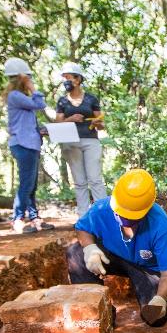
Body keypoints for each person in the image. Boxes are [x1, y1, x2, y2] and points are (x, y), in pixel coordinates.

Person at [66, 169, 167, 327]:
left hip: (146, 268)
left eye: (130, 216)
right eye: (119, 212)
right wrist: (90, 248)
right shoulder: (102, 208)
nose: (122, 218)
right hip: (114, 256)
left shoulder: (160, 224)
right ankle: (100, 312)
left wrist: (160, 298)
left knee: (156, 318)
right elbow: (82, 228)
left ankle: (151, 299)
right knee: (75, 253)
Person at [2, 57, 55, 234]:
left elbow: (26, 122)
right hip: (23, 145)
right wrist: (33, 88)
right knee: (26, 183)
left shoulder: (19, 98)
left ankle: (34, 218)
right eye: (28, 79)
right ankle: (17, 220)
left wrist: (40, 130)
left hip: (30, 144)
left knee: (31, 184)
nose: (30, 82)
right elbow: (40, 104)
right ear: (21, 78)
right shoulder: (15, 96)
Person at [55, 61, 108, 217]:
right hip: (71, 144)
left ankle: (103, 214)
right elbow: (58, 124)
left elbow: (101, 124)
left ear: (77, 79)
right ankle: (84, 216)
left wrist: (97, 123)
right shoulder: (62, 101)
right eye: (64, 78)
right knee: (79, 182)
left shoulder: (91, 99)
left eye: (68, 77)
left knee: (95, 179)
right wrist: (70, 118)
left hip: (91, 141)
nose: (65, 81)